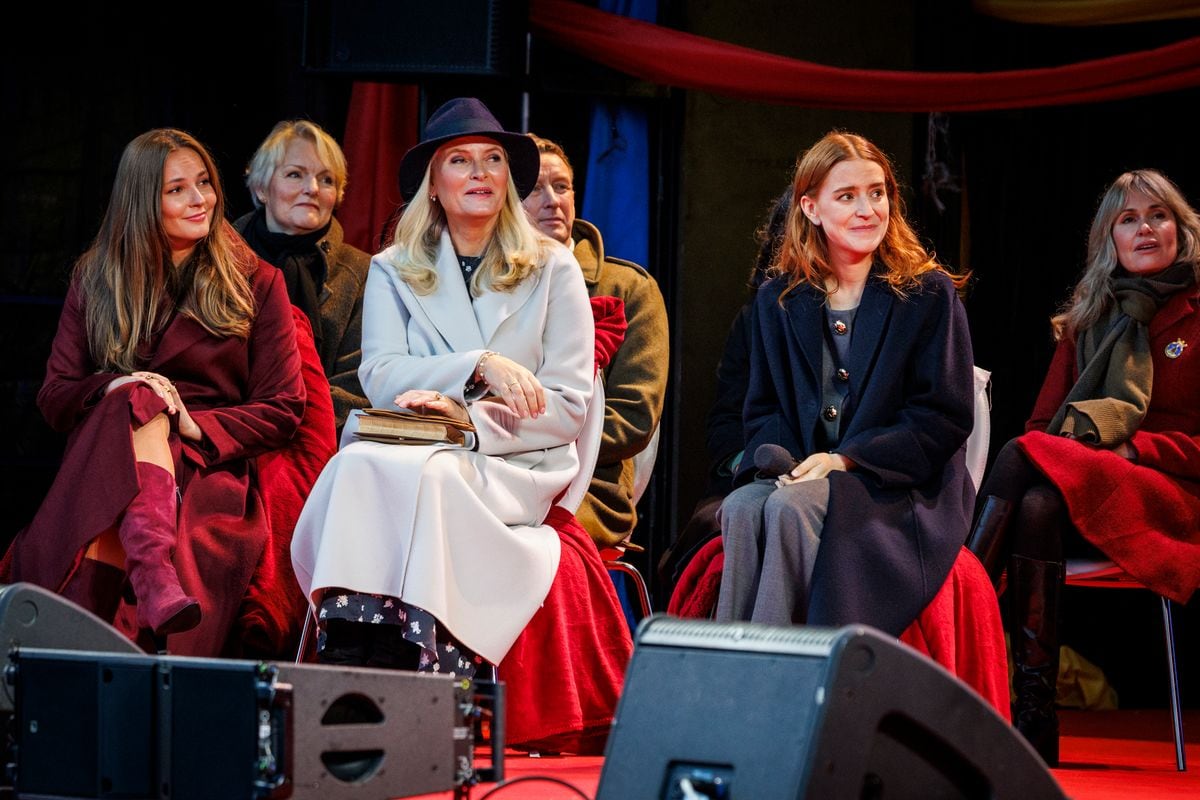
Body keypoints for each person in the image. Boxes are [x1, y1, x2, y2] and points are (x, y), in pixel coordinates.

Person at [290, 98, 596, 675]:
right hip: (411, 444)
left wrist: (463, 420)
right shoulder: (393, 267)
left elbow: (568, 407)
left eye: (493, 160)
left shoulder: (554, 267)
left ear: (508, 179)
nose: (479, 174)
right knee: (354, 466)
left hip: (515, 459)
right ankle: (351, 647)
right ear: (433, 183)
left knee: (433, 474)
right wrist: (479, 366)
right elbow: (380, 375)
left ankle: (430, 661)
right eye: (460, 160)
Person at [6, 128, 306, 656]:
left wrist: (192, 423)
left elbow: (283, 408)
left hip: (205, 459)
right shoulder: (96, 276)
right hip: (109, 448)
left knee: (140, 441)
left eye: (205, 183)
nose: (200, 200)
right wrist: (116, 384)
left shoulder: (257, 281)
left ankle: (114, 622)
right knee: (136, 400)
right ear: (142, 201)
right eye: (177, 190)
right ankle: (153, 576)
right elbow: (55, 397)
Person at [966, 169, 1200, 765]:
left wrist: (1136, 449)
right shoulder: (1087, 320)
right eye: (1128, 219)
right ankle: (1036, 715)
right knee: (1038, 499)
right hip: (1087, 491)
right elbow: (1044, 426)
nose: (1145, 228)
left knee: (1022, 457)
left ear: (1181, 228)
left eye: (1158, 215)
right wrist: (1086, 452)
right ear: (1110, 239)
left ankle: (959, 603)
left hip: (1172, 496)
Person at [715, 131, 975, 637]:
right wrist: (786, 463)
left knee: (791, 508)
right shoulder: (780, 299)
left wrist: (845, 460)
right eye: (847, 196)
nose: (867, 209)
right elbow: (763, 408)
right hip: (808, 473)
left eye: (877, 193)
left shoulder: (927, 294)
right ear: (811, 208)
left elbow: (943, 417)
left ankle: (773, 681)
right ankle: (730, 670)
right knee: (742, 507)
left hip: (897, 486)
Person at [521, 134, 669, 548]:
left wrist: (527, 443)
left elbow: (634, 418)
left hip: (589, 484)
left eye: (562, 186)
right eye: (534, 189)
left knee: (512, 531)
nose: (552, 200)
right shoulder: (488, 283)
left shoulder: (627, 287)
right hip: (497, 468)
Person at [235, 119, 371, 432]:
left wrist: (288, 425)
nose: (311, 189)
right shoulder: (214, 264)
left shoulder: (362, 271)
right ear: (261, 187)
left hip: (323, 437)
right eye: (295, 174)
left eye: (326, 180)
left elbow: (357, 383)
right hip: (229, 433)